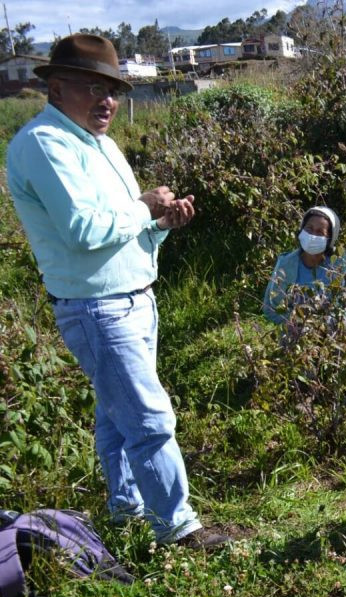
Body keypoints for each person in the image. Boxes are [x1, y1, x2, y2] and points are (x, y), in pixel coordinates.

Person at [5, 34, 230, 550]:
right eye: (94, 88)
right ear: (56, 88)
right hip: (97, 307)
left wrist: (162, 223)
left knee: (116, 416)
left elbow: (122, 228)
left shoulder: (102, 145)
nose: (107, 101)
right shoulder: (45, 145)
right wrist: (146, 208)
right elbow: (83, 230)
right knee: (149, 418)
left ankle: (126, 509)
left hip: (133, 297)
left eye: (113, 90)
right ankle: (178, 530)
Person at [263, 206, 346, 342]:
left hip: (335, 330)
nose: (313, 235)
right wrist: (293, 322)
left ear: (330, 239)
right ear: (301, 230)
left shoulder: (343, 266)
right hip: (297, 330)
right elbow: (271, 306)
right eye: (309, 229)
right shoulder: (286, 263)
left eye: (320, 232)